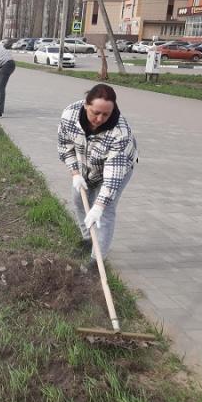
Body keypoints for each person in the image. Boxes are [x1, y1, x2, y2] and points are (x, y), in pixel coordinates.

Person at [57, 84, 137, 272]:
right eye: (96, 113)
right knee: (78, 201)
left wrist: (99, 207)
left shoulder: (120, 133)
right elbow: (65, 146)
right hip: (84, 164)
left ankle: (97, 259)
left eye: (106, 115)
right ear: (86, 105)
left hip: (114, 171)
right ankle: (88, 238)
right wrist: (75, 174)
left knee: (105, 213)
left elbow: (112, 180)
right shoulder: (70, 115)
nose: (100, 119)